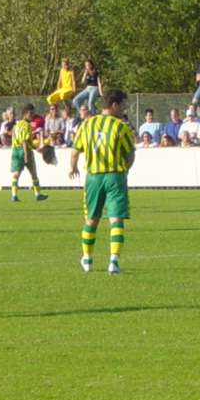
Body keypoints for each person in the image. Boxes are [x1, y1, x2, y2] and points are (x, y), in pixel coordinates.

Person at [68, 89, 135, 275]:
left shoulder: (86, 124)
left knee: (91, 219)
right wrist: (125, 171)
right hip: (115, 175)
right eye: (122, 105)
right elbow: (130, 155)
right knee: (116, 218)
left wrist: (72, 168)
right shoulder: (121, 127)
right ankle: (113, 261)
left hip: (93, 177)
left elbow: (75, 152)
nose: (124, 108)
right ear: (114, 105)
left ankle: (87, 260)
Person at [10, 106, 49, 202]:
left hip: (15, 150)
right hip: (24, 150)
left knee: (16, 174)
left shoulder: (16, 125)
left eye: (33, 113)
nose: (32, 116)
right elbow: (25, 141)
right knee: (33, 173)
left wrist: (36, 148)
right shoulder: (26, 125)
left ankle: (14, 195)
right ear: (25, 114)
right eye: (30, 113)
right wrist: (26, 155)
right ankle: (37, 194)